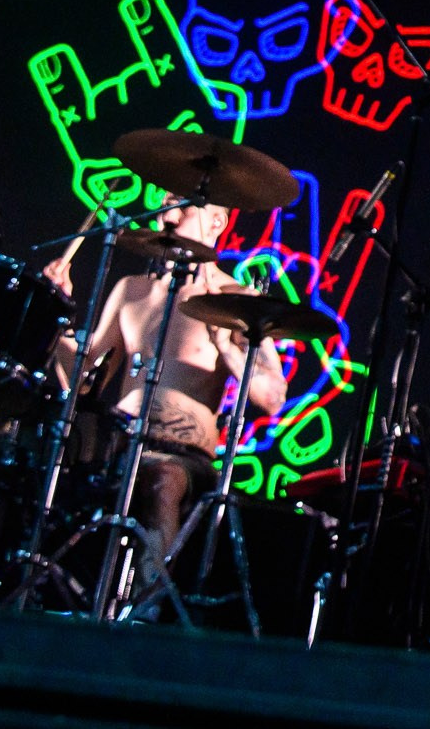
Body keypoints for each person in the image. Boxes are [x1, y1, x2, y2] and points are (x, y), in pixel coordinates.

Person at [44, 203, 289, 597]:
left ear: (217, 221)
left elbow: (272, 396)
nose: (169, 218)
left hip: (183, 458)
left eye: (184, 208)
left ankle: (146, 607)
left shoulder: (236, 300)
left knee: (161, 480)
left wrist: (226, 346)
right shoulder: (132, 290)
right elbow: (84, 383)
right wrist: (55, 315)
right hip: (119, 448)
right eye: (164, 207)